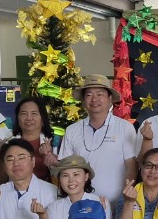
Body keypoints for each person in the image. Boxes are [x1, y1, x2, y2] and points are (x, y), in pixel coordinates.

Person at [58, 75, 138, 207]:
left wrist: (125, 198)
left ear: (110, 98)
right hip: (81, 204)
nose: (94, 99)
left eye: (100, 94)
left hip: (116, 203)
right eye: (89, 95)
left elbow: (131, 165)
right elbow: (65, 166)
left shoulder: (125, 127)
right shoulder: (72, 130)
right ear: (83, 100)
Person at [37, 155, 101, 219]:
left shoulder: (99, 203)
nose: (71, 180)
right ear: (59, 180)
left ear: (86, 177)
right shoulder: (54, 207)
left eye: (76, 174)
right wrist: (43, 216)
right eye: (65, 175)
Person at [0, 96, 60, 182]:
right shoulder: (8, 144)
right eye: (24, 113)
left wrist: (53, 160)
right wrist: (1, 154)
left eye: (34, 113)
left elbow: (68, 174)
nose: (29, 118)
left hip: (48, 189)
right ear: (18, 119)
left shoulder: (56, 143)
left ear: (43, 119)